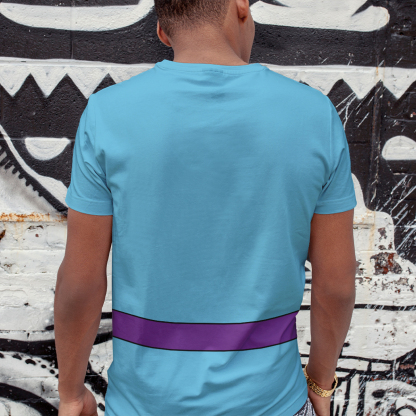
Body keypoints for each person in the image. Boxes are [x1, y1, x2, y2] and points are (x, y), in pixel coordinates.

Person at [54, 0, 357, 415]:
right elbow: (336, 284)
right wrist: (320, 383)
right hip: (271, 403)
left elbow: (81, 282)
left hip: (144, 406)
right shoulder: (314, 115)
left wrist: (71, 393)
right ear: (241, 5)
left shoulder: (106, 114)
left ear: (163, 31)